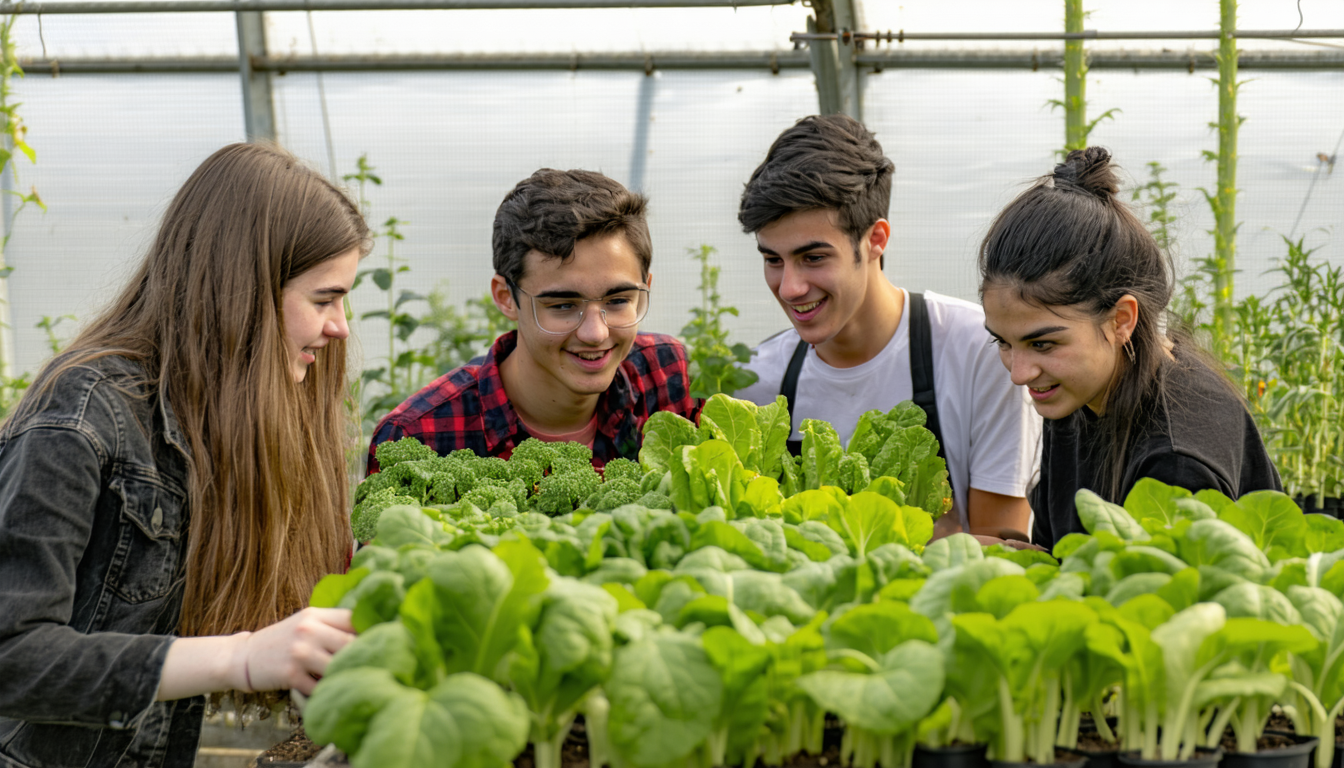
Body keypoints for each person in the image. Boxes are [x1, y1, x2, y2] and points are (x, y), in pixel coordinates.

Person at [0, 143, 367, 768]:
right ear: (242, 291)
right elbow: (12, 655)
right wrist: (241, 656)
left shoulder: (247, 414)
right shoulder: (84, 415)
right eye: (323, 299)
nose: (340, 328)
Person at [733, 115, 1041, 539]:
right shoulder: (756, 384)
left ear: (876, 239)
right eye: (773, 260)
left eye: (814, 258)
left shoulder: (982, 352)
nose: (789, 287)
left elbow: (1003, 549)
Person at [979, 147, 1282, 552]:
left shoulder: (1175, 463)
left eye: (1043, 343)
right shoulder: (1079, 387)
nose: (1020, 373)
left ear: (1121, 320)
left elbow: (1158, 607)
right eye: (1003, 342)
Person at [367, 168, 698, 472]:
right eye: (563, 306)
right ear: (506, 297)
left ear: (644, 290)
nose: (596, 333)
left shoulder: (665, 373)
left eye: (618, 301)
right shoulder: (417, 437)